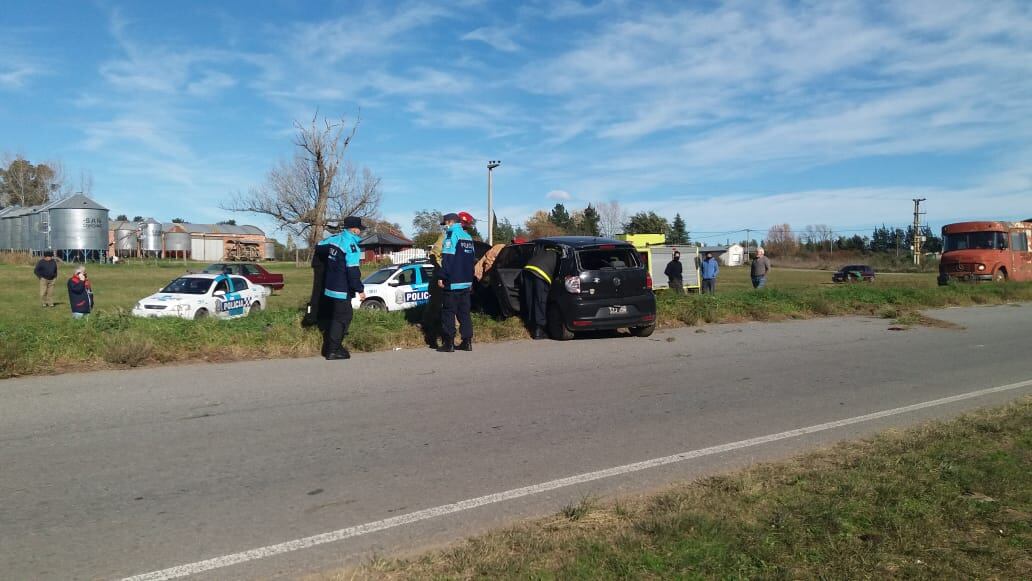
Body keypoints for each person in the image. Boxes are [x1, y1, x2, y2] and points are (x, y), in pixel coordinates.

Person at [317, 216, 366, 360]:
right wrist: (360, 289)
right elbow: (353, 271)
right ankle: (333, 350)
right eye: (360, 229)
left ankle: (335, 346)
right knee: (342, 318)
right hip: (341, 289)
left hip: (330, 287)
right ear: (354, 229)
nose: (360, 232)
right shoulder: (351, 245)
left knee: (339, 316)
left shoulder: (334, 239)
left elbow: (319, 246)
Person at [437, 212, 476, 352]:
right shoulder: (468, 237)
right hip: (466, 282)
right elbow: (472, 260)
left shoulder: (451, 236)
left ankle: (449, 343)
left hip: (452, 281)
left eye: (445, 224)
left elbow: (447, 259)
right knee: (464, 313)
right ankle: (467, 342)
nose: (445, 227)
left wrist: (442, 277)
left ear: (450, 222)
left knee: (448, 312)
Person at [521, 245, 558, 339]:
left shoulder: (543, 249)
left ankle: (531, 327)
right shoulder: (559, 253)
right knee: (540, 301)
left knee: (530, 300)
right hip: (541, 274)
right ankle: (539, 331)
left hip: (527, 270)